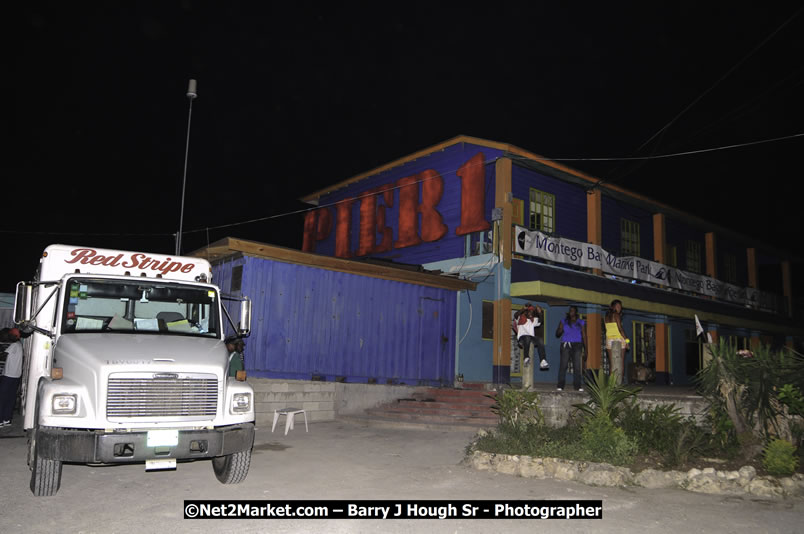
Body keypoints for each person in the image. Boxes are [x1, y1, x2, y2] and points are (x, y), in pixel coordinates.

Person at [555, 306, 587, 391]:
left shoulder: (581, 322)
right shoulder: (564, 321)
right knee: (563, 365)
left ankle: (577, 386)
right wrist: (560, 330)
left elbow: (584, 335)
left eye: (573, 310)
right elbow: (557, 334)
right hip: (566, 344)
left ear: (576, 312)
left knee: (577, 366)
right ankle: (560, 385)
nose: (571, 312)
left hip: (577, 345)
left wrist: (586, 349)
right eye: (570, 311)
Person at [512, 303, 549, 370]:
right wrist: (524, 308)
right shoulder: (520, 317)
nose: (531, 313)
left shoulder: (532, 320)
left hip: (531, 338)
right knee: (527, 337)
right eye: (529, 311)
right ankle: (526, 358)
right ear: (526, 312)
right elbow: (515, 315)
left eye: (532, 312)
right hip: (522, 338)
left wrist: (540, 312)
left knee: (540, 339)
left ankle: (543, 361)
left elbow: (540, 321)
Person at [0, 328, 23, 427]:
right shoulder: (19, 345)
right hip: (16, 376)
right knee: (10, 398)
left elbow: (3, 356)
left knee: (2, 398)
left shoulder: (14, 345)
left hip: (9, 375)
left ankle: (0, 420)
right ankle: (7, 419)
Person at [604, 299, 629, 384]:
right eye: (618, 306)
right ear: (613, 307)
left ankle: (611, 384)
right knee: (621, 362)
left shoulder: (606, 316)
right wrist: (627, 340)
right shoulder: (616, 315)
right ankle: (619, 383)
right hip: (618, 339)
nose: (619, 308)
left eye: (620, 307)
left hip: (609, 339)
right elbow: (620, 329)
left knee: (612, 363)